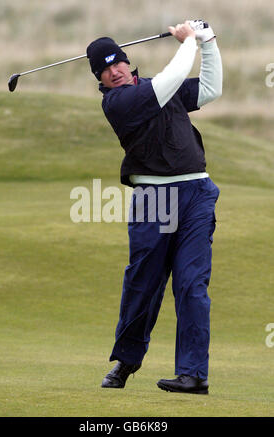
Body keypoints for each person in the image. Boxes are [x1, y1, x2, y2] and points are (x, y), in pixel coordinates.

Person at [86, 20, 222, 394]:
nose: (114, 71)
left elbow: (211, 89)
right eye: (105, 69)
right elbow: (168, 81)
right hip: (154, 201)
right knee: (143, 284)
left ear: (128, 62)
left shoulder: (153, 88)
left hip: (197, 193)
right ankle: (125, 363)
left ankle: (193, 374)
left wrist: (207, 43)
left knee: (193, 284)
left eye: (118, 63)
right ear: (100, 77)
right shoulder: (118, 103)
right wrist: (190, 41)